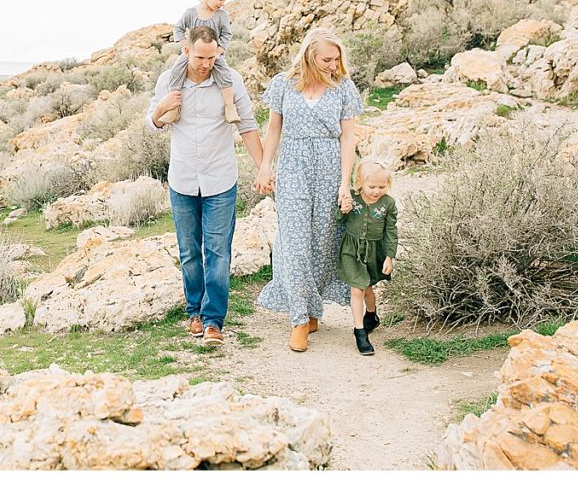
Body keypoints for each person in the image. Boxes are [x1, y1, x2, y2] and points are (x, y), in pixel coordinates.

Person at [146, 25, 264, 347]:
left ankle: (213, 320)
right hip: (182, 180)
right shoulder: (168, 81)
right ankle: (193, 311)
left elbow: (249, 125)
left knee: (218, 253)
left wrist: (265, 167)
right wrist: (161, 108)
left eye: (212, 58)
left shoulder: (230, 82)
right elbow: (153, 123)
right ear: (186, 50)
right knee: (188, 253)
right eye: (200, 57)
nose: (205, 64)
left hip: (220, 179)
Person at [252, 27, 364, 353]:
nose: (333, 64)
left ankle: (314, 308)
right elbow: (274, 129)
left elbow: (348, 138)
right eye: (326, 59)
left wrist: (346, 183)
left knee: (324, 240)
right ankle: (299, 318)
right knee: (295, 241)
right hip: (292, 167)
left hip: (330, 166)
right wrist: (264, 166)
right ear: (310, 56)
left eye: (336, 59)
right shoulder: (283, 84)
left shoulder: (344, 88)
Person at [157, 0, 242, 125]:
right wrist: (186, 47)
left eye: (225, 0)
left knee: (224, 73)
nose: (222, 3)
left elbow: (226, 35)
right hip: (192, 55)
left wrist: (218, 51)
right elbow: (178, 29)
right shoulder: (191, 13)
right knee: (176, 71)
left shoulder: (221, 15)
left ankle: (230, 107)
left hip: (214, 54)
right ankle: (174, 108)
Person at [336, 158, 398, 356]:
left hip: (373, 252)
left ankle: (371, 315)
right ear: (360, 182)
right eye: (372, 186)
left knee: (368, 288)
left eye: (382, 186)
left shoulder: (388, 204)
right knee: (357, 290)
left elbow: (391, 231)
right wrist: (343, 209)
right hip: (352, 251)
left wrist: (389, 256)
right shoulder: (352, 197)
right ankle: (360, 331)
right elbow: (339, 219)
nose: (376, 191)